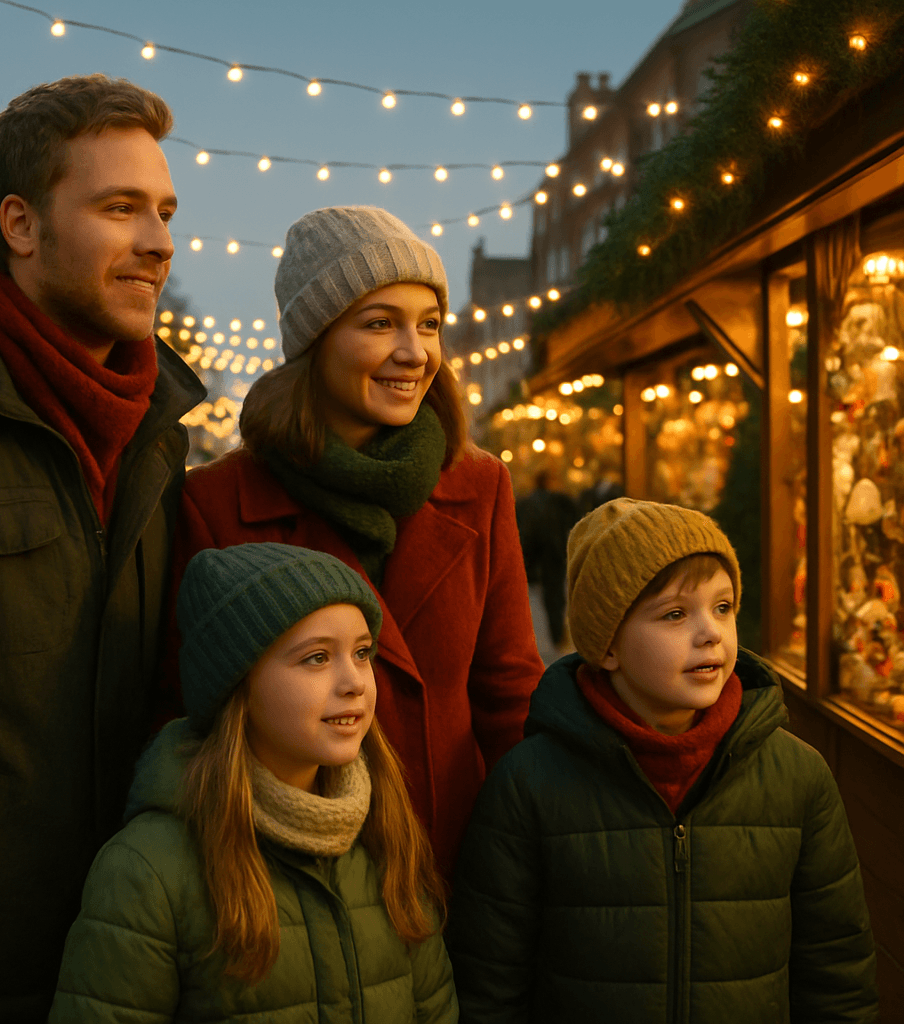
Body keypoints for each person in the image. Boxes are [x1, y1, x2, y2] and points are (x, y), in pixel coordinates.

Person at [0, 75, 205, 1021]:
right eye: (119, 209)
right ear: (20, 225)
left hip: (125, 963)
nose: (159, 243)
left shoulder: (158, 433)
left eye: (166, 212)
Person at [168, 206, 543, 875]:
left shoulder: (479, 486)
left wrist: (522, 869)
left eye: (429, 324)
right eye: (380, 323)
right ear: (316, 340)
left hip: (451, 864)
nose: (416, 351)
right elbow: (191, 718)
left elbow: (509, 695)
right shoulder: (217, 504)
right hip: (291, 878)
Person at [449, 498, 879, 1022]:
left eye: (723, 607)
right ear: (607, 646)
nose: (711, 633)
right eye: (675, 614)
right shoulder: (529, 785)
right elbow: (490, 984)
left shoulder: (798, 777)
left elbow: (837, 972)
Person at [50, 542, 458, 1021]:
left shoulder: (386, 832)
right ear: (237, 684)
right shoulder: (148, 871)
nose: (356, 682)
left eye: (363, 652)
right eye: (317, 658)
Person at [515, 469, 579, 650]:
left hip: (532, 556)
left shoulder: (526, 502)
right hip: (554, 555)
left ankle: (544, 636)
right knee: (554, 597)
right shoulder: (560, 501)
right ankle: (557, 634)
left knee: (534, 600)